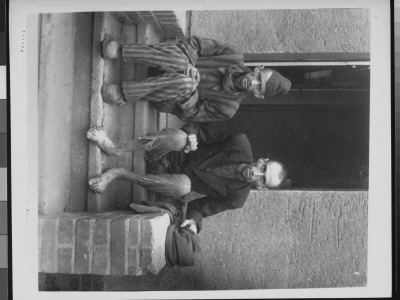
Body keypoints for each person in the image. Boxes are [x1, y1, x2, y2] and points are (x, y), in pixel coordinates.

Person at [87, 123, 287, 234]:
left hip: (165, 179)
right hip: (163, 150)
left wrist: (194, 224)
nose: (256, 173)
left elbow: (200, 208)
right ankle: (113, 148)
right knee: (179, 137)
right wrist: (191, 135)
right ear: (262, 160)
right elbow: (199, 130)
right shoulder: (239, 142)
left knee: (184, 186)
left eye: (262, 179)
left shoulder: (236, 198)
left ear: (262, 187)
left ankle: (120, 174)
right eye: (263, 168)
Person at [101, 35, 291, 122]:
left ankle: (123, 94)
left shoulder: (228, 108)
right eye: (258, 77)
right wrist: (190, 64)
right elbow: (195, 43)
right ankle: (120, 50)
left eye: (259, 87)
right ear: (257, 69)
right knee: (180, 60)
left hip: (166, 94)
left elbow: (189, 114)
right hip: (164, 60)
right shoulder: (232, 55)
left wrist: (191, 89)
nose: (253, 82)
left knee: (186, 82)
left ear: (258, 95)